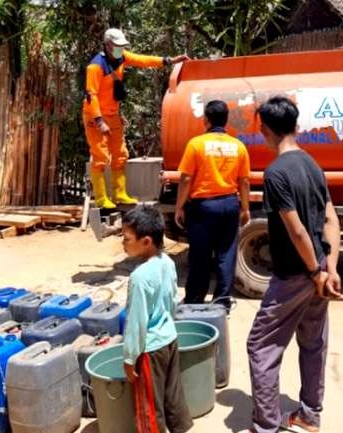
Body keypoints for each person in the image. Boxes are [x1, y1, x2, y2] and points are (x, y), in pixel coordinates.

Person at [240, 96, 341, 433]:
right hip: (319, 268)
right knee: (313, 341)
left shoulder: (276, 173)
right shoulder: (313, 165)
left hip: (296, 274)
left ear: (264, 130)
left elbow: (296, 230)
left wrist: (314, 272)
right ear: (296, 126)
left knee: (261, 345)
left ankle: (266, 425)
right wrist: (331, 269)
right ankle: (310, 415)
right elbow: (331, 219)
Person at [84, 28, 189, 209]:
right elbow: (90, 94)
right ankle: (101, 198)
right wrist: (99, 121)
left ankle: (120, 194)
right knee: (100, 156)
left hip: (113, 113)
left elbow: (143, 60)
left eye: (122, 46)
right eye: (117, 46)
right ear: (108, 45)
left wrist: (168, 61)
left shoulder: (121, 57)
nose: (120, 49)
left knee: (120, 154)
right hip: (96, 116)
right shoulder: (95, 66)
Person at [121, 206, 193, 433]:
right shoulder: (167, 262)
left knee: (149, 407)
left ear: (146, 241)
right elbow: (173, 301)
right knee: (173, 396)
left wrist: (129, 357)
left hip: (150, 350)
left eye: (126, 238)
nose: (123, 243)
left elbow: (136, 322)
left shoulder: (139, 277)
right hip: (169, 339)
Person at [174, 100, 250, 311]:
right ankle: (221, 302)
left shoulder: (196, 144)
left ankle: (195, 300)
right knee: (226, 254)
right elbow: (244, 181)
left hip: (204, 206)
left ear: (206, 119)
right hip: (229, 204)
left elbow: (186, 179)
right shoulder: (238, 146)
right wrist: (245, 208)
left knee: (200, 255)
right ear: (226, 120)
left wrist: (179, 206)